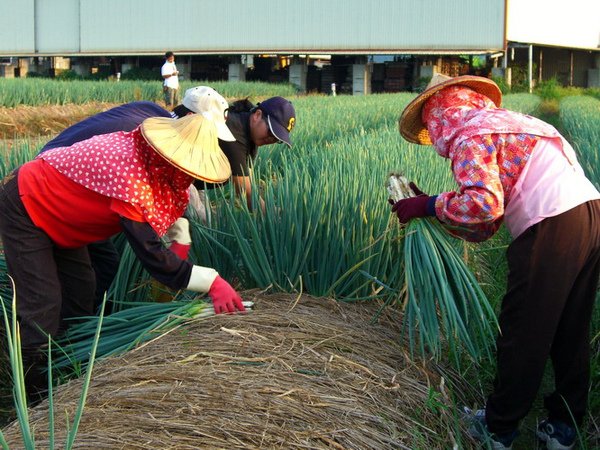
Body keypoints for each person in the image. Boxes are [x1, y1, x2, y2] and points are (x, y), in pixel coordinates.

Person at [394, 74, 600, 450]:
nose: (434, 131)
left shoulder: (470, 135)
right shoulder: (511, 123)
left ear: (441, 113)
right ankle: (563, 427)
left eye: (431, 122)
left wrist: (426, 205)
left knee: (523, 329)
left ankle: (499, 427)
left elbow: (484, 205)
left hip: (550, 221)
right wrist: (438, 208)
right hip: (588, 213)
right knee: (570, 328)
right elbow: (488, 220)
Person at [0, 114, 245, 403]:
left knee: (81, 293)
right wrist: (211, 281)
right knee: (43, 304)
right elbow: (151, 254)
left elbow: (155, 217)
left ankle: (63, 368)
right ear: (168, 156)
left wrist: (180, 235)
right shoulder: (131, 176)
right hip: (28, 202)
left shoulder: (150, 162)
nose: (189, 177)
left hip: (65, 220)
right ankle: (33, 398)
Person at [38, 87, 235, 311]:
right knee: (75, 276)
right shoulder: (146, 134)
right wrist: (189, 263)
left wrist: (176, 228)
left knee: (103, 266)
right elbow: (141, 203)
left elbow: (154, 190)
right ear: (191, 120)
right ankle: (82, 325)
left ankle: (89, 323)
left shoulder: (154, 118)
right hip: (57, 187)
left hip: (81, 187)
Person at [201, 96, 296, 212]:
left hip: (192, 182)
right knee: (202, 221)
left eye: (277, 138)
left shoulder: (250, 134)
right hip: (179, 179)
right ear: (257, 115)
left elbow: (248, 179)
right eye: (271, 132)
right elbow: (246, 192)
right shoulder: (234, 133)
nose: (271, 139)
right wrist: (274, 215)